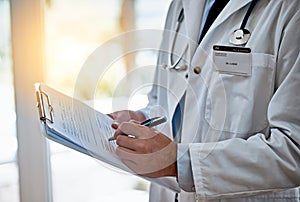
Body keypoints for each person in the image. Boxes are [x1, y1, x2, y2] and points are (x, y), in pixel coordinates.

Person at [109, 0, 300, 201]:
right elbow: (163, 97)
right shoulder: (181, 5)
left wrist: (179, 162)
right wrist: (141, 118)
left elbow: (294, 150)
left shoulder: (290, 9)